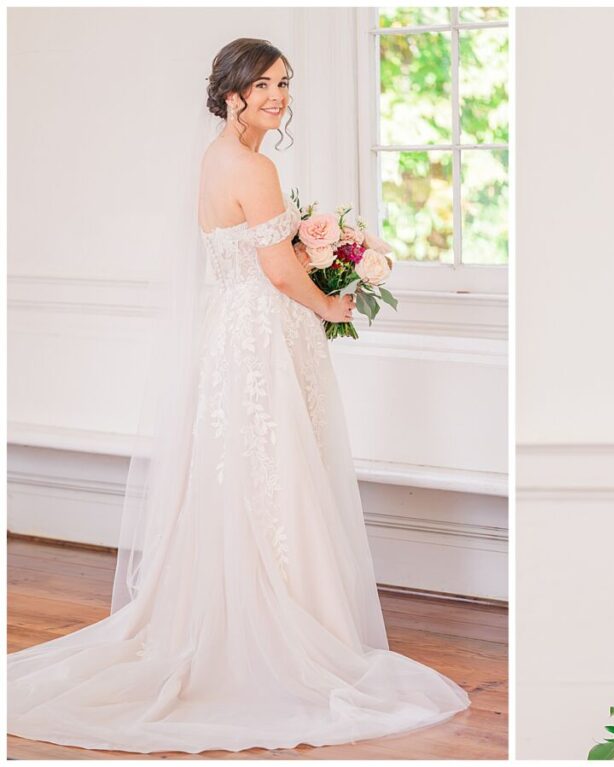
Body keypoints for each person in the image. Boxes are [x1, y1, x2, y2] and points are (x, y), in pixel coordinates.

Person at [7, 38, 470, 754]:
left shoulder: (213, 161)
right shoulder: (255, 165)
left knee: (239, 473)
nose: (278, 96)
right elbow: (279, 272)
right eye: (263, 86)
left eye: (284, 83)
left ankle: (235, 611)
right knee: (272, 470)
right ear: (232, 96)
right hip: (260, 332)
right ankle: (284, 625)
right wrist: (333, 305)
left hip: (231, 328)